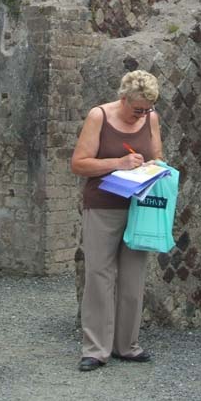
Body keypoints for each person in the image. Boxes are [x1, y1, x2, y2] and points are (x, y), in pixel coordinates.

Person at [71, 70, 163, 372]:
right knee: (99, 275)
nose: (143, 113)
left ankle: (128, 345)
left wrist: (154, 167)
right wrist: (119, 163)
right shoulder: (99, 116)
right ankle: (96, 349)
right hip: (103, 206)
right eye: (138, 108)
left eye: (147, 108)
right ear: (123, 98)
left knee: (134, 277)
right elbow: (79, 164)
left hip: (139, 206)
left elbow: (158, 157)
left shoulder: (151, 118)